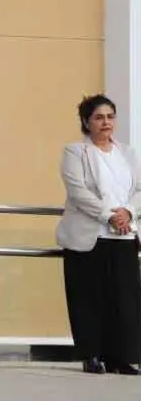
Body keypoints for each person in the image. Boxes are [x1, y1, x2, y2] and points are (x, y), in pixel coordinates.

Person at [55, 94, 141, 375]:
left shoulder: (127, 153)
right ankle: (91, 355)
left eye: (110, 117)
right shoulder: (75, 152)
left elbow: (139, 190)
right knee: (87, 298)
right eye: (99, 117)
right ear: (86, 122)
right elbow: (78, 192)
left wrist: (127, 212)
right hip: (89, 235)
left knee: (124, 299)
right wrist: (109, 215)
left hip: (124, 235)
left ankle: (122, 357)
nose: (106, 123)